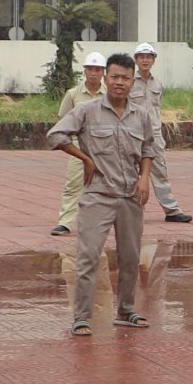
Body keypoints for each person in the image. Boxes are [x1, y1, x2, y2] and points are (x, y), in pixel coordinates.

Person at [47, 52, 159, 334]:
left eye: (125, 77)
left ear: (133, 81)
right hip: (98, 194)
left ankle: (126, 310)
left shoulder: (141, 116)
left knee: (131, 257)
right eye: (115, 77)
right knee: (89, 255)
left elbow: (148, 149)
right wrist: (85, 158)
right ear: (105, 78)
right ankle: (81, 316)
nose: (119, 82)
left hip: (131, 195)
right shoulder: (87, 111)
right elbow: (55, 136)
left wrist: (145, 179)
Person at [127, 43, 193, 224]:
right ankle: (134, 211)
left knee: (160, 174)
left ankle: (171, 210)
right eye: (141, 57)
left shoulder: (158, 84)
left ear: (154, 60)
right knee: (132, 174)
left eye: (148, 57)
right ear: (136, 60)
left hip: (154, 136)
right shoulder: (129, 82)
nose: (145, 60)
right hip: (133, 135)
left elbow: (158, 108)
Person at [51, 51, 109, 236]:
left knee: (107, 184)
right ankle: (65, 222)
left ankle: (103, 221)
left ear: (103, 72)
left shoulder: (109, 94)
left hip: (104, 146)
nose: (93, 73)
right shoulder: (73, 94)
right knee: (73, 184)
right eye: (90, 69)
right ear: (84, 71)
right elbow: (64, 119)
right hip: (80, 147)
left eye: (98, 69)